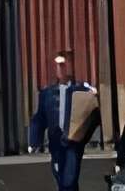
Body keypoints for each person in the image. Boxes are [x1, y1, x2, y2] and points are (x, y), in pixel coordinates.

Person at [30, 52, 99, 191]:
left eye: (63, 65)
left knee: (69, 179)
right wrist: (34, 140)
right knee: (61, 178)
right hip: (55, 143)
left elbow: (93, 115)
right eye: (58, 65)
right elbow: (39, 118)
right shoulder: (47, 93)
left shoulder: (81, 89)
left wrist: (83, 137)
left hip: (73, 143)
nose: (60, 69)